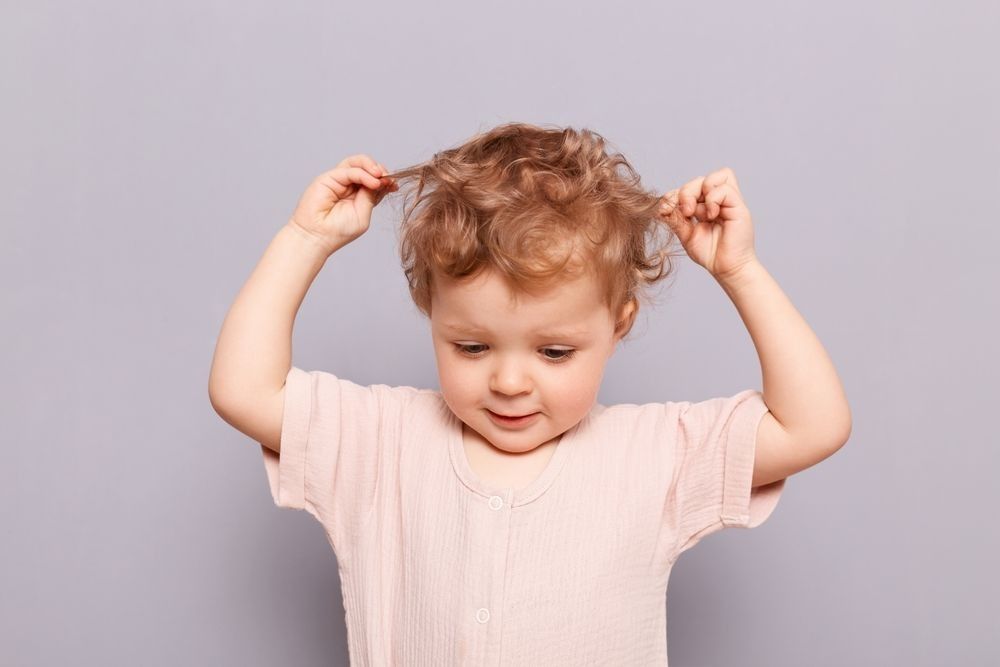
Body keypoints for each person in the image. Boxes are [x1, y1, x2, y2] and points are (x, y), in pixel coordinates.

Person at [208, 121, 852, 665]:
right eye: (471, 346)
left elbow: (813, 426)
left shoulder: (655, 456)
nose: (510, 383)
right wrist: (305, 240)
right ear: (429, 311)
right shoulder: (379, 443)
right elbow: (243, 390)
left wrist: (739, 271)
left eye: (554, 352)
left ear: (617, 325)